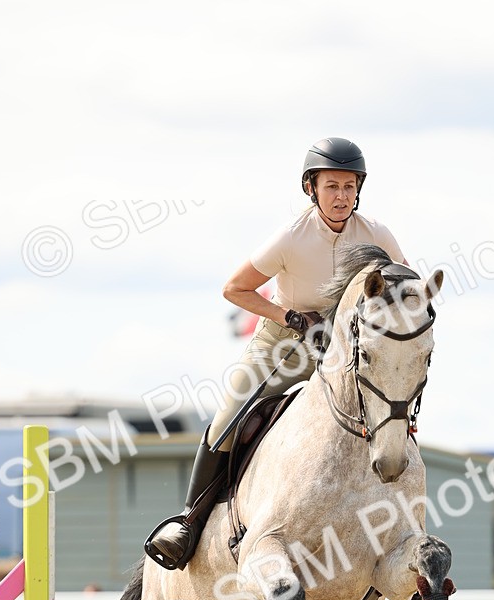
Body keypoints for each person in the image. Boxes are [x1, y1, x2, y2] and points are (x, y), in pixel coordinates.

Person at [144, 137, 406, 570]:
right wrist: (290, 317)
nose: (342, 196)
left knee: (387, 404)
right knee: (229, 418)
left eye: (349, 186)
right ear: (311, 189)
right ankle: (189, 521)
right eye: (331, 187)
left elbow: (401, 280)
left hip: (343, 348)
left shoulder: (376, 233)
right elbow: (235, 288)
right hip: (284, 344)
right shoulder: (290, 237)